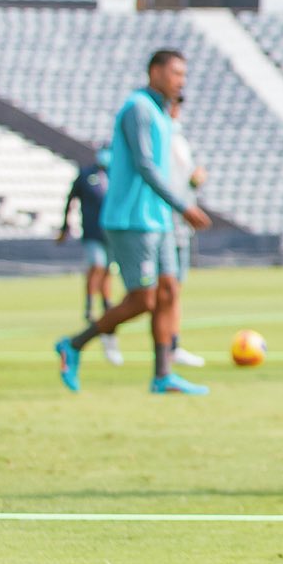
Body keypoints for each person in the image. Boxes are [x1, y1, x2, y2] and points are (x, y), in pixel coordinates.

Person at [52, 50, 212, 394]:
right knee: (143, 300)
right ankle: (74, 344)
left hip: (159, 218)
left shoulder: (161, 112)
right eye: (175, 73)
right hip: (132, 218)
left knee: (169, 292)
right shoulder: (137, 108)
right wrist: (183, 205)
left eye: (184, 75)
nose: (181, 81)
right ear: (154, 71)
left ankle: (163, 375)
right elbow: (145, 165)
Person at [58, 146, 122, 365]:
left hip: (113, 233)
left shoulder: (116, 175)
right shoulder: (86, 176)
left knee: (108, 270)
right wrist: (64, 227)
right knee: (97, 265)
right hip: (92, 233)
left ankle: (105, 302)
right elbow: (71, 200)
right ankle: (89, 305)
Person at [163, 95, 207, 369]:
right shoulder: (158, 136)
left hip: (181, 221)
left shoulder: (179, 139)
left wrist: (194, 180)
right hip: (164, 219)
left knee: (173, 288)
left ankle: (172, 345)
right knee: (157, 291)